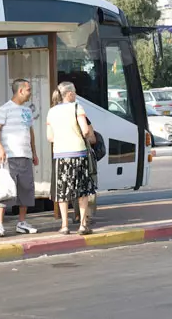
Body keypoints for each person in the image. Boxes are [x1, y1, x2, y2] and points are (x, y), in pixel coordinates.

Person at [0, 78, 39, 238]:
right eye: (28, 89)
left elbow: (30, 132)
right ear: (20, 91)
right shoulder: (5, 109)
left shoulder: (27, 110)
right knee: (7, 189)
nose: (30, 92)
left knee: (26, 188)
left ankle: (22, 222)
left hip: (25, 155)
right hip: (10, 156)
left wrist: (34, 152)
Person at [47, 81, 96, 235]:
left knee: (62, 191)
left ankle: (64, 225)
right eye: (74, 92)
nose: (75, 94)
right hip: (78, 154)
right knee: (82, 191)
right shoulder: (77, 108)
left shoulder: (52, 111)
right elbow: (86, 130)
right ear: (69, 94)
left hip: (60, 155)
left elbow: (50, 137)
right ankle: (82, 225)